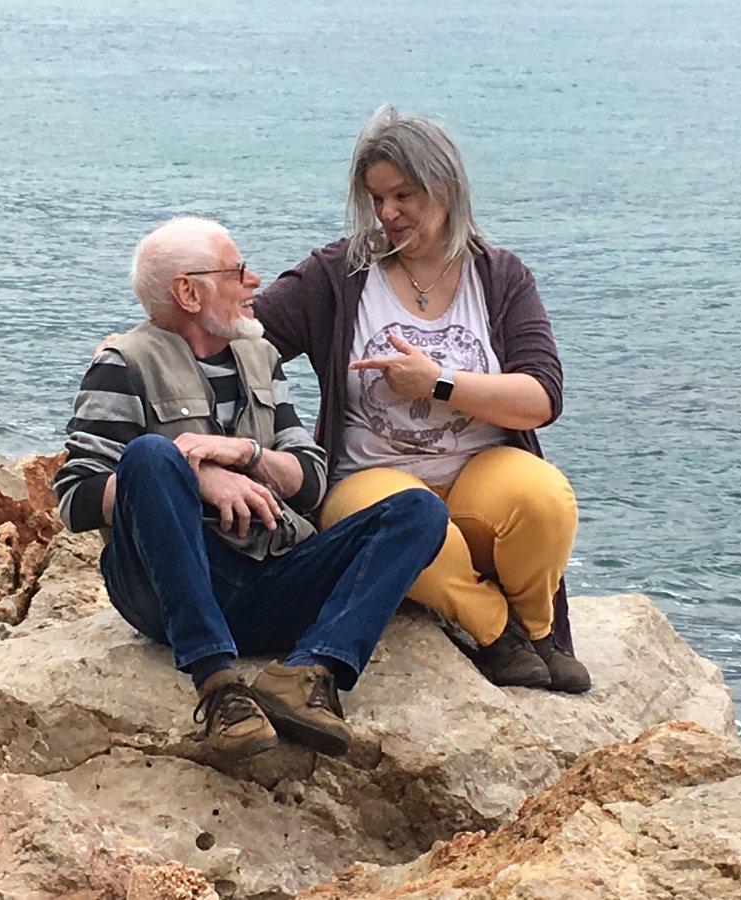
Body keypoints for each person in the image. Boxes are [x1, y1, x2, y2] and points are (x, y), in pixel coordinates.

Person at [53, 216, 448, 761]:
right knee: (150, 455)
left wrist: (247, 455)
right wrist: (194, 476)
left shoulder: (260, 357)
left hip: (270, 575)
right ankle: (218, 688)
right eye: (236, 271)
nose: (254, 281)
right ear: (188, 292)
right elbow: (75, 497)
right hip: (170, 586)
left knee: (419, 511)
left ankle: (308, 671)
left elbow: (310, 481)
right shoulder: (123, 364)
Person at [254, 106, 590, 694]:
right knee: (406, 522)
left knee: (544, 498)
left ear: (446, 188)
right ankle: (494, 632)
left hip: (479, 471)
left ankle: (539, 632)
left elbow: (540, 397)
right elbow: (243, 338)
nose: (388, 213)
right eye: (376, 198)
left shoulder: (500, 276)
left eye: (403, 195)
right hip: (371, 476)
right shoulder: (337, 274)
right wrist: (148, 342)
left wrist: (437, 381)